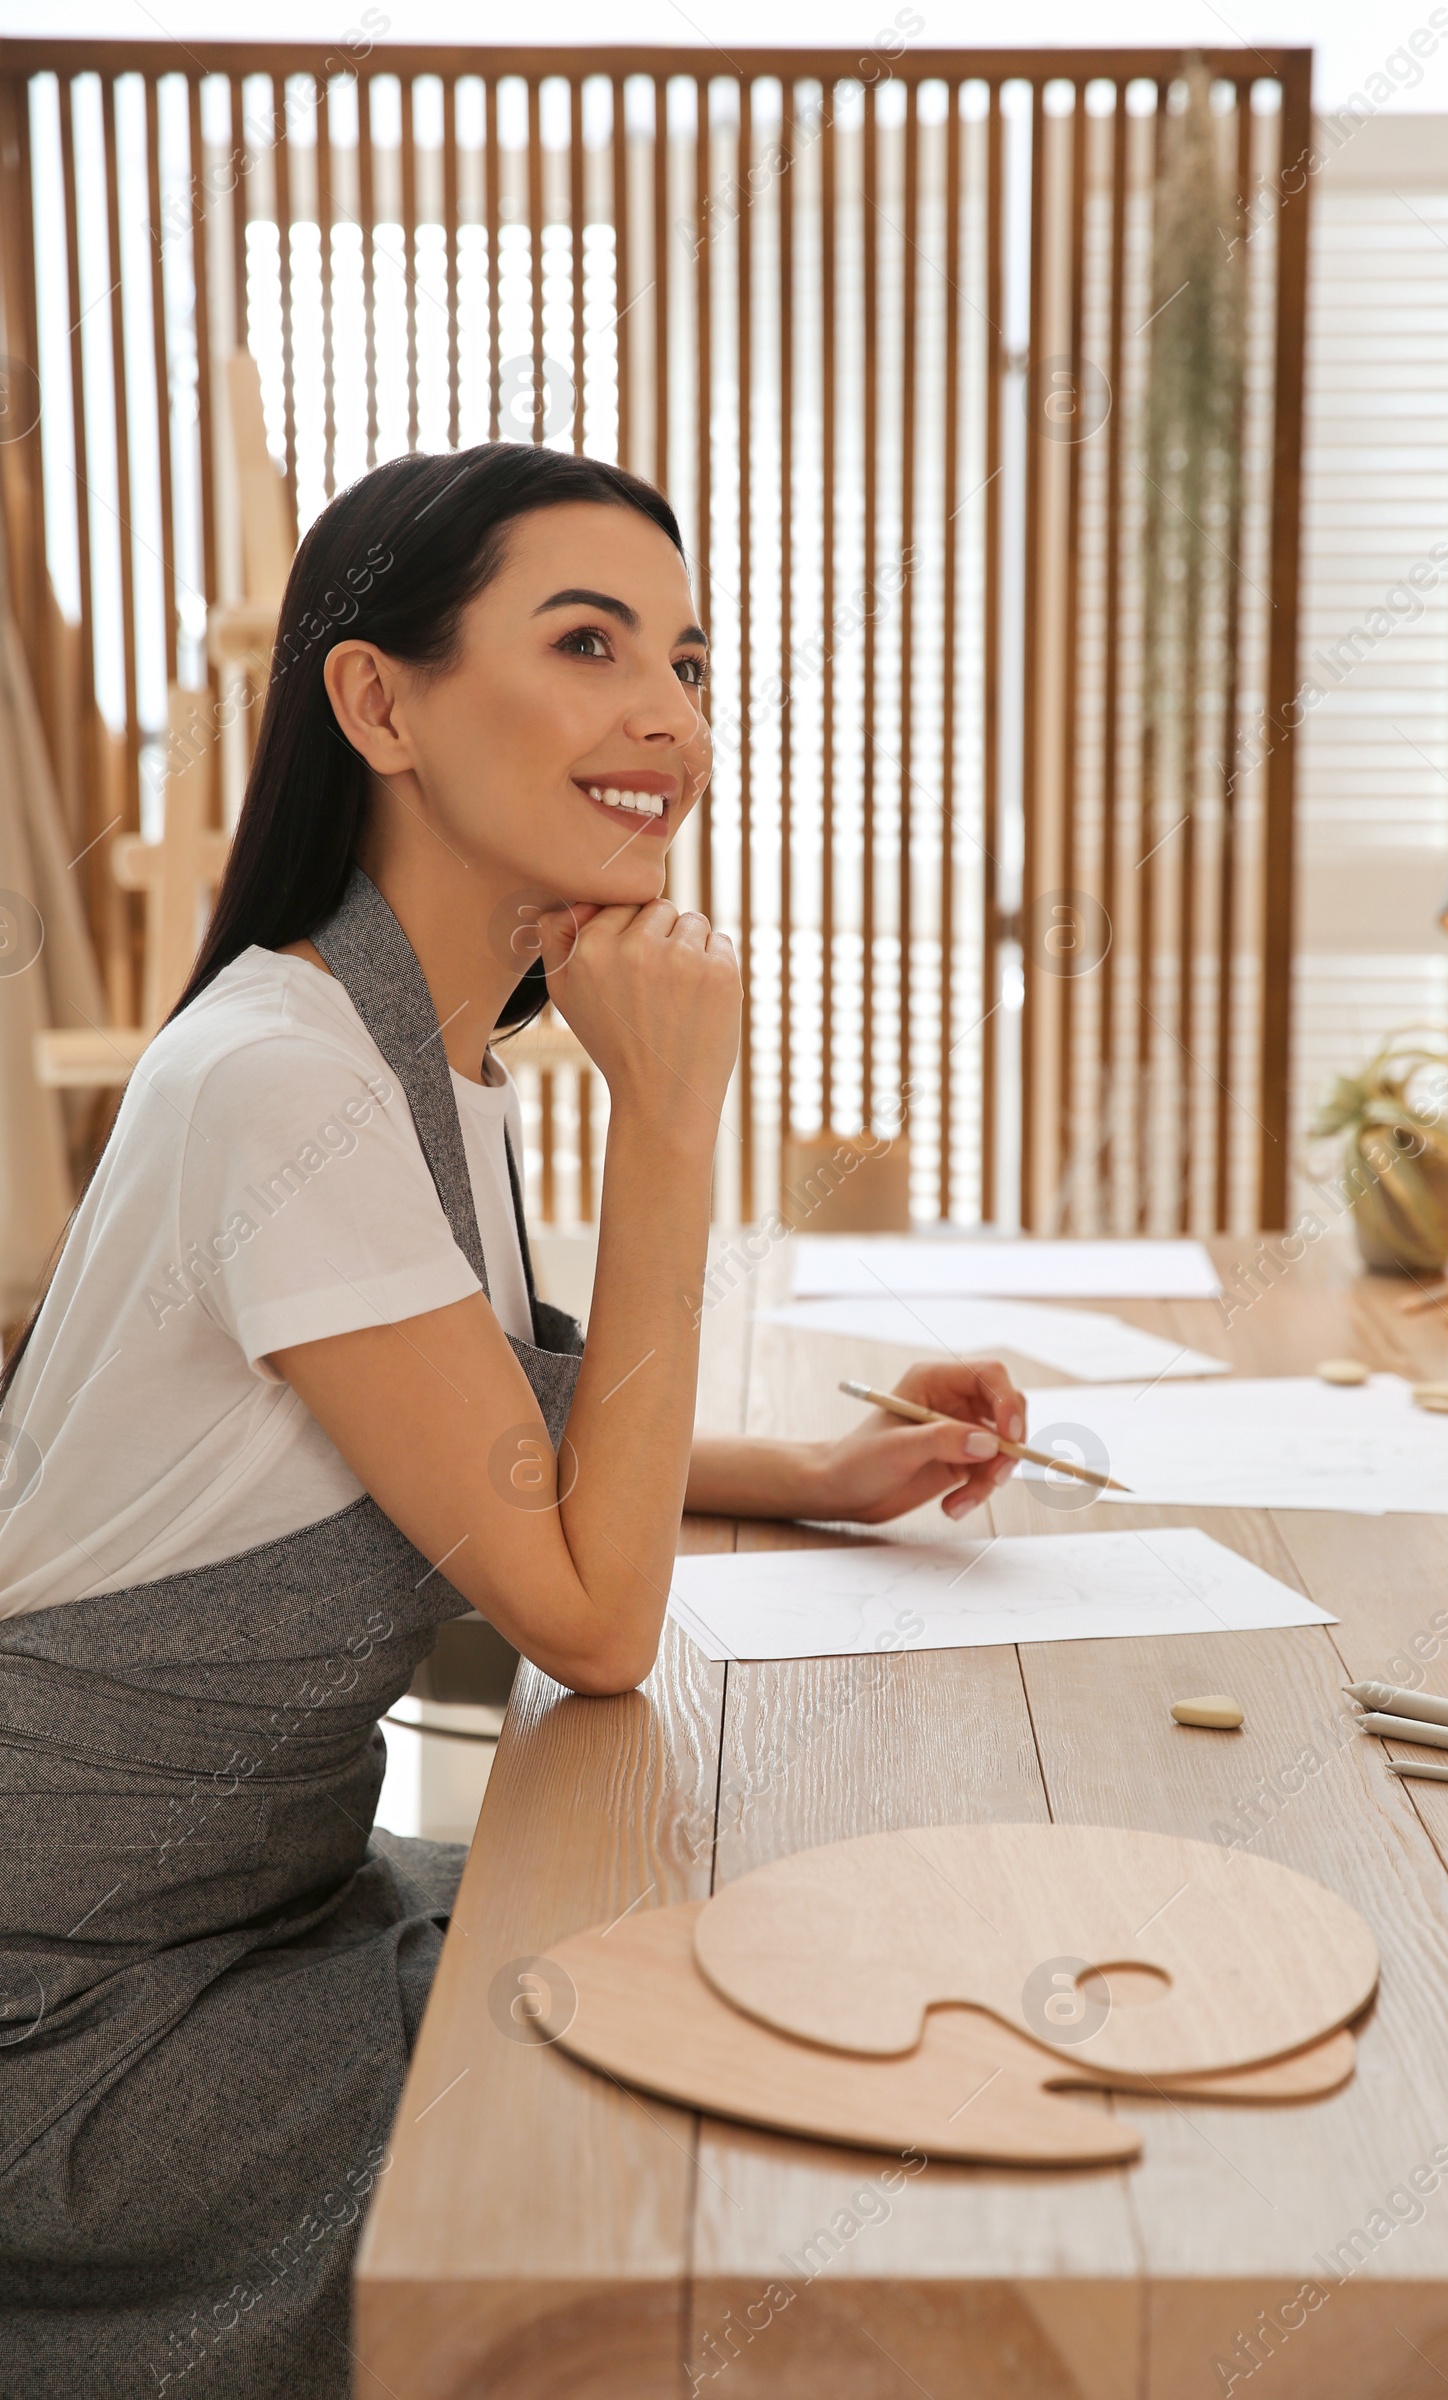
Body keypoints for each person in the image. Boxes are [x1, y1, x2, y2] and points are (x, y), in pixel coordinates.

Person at [0, 443, 1025, 2396]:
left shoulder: (419, 1063)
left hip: (272, 1921)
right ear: (377, 701)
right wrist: (669, 1114)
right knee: (708, 2166)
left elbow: (485, 1441)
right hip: (83, 2023)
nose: (665, 714)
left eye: (687, 658)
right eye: (586, 642)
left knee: (789, 1984)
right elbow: (587, 1620)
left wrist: (814, 1470)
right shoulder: (282, 1083)